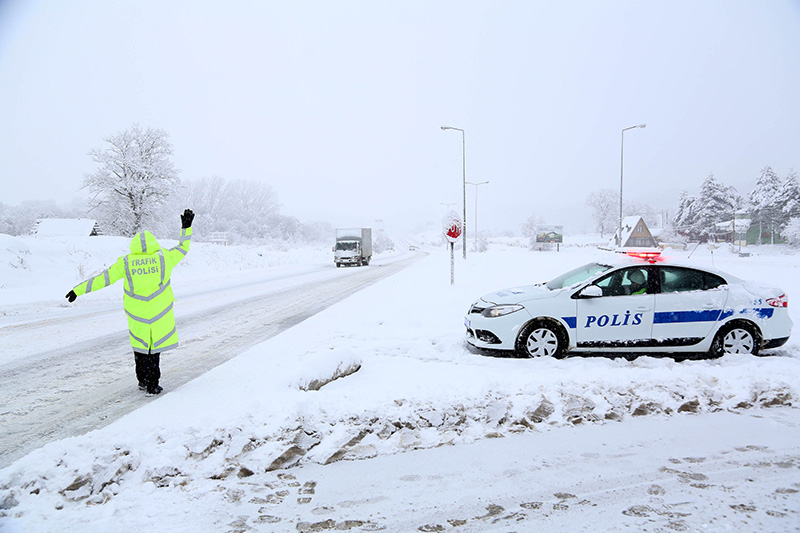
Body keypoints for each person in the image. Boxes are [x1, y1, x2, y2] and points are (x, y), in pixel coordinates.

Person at [65, 209, 194, 395]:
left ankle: (142, 380)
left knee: (141, 346)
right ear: (153, 244)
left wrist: (78, 290)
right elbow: (183, 248)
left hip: (137, 314)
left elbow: (103, 279)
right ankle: (153, 384)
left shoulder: (126, 263)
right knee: (154, 349)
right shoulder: (164, 258)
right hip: (159, 312)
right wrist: (186, 228)